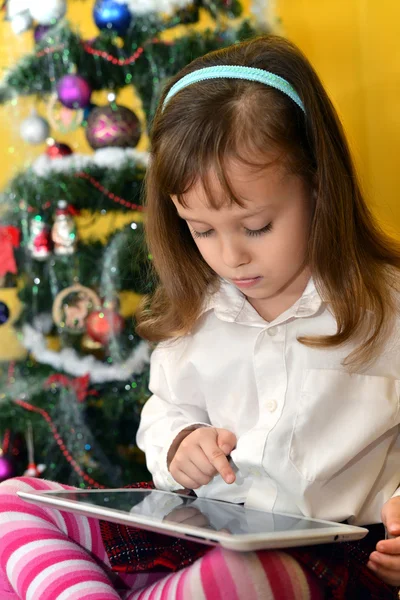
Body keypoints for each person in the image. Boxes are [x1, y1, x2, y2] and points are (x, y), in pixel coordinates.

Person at [1, 34, 400, 599]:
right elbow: (166, 409)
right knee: (13, 502)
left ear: (318, 186)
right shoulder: (197, 311)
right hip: (205, 527)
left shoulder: (388, 306)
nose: (230, 256)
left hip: (333, 556)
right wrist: (180, 441)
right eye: (202, 230)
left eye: (257, 227)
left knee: (246, 577)